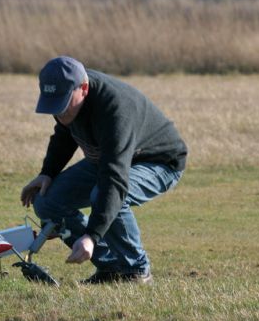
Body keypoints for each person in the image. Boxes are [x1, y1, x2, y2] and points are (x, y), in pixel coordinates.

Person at [20, 56, 187, 284]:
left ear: (84, 88)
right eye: (53, 105)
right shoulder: (68, 100)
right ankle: (111, 267)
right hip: (108, 159)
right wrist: (47, 173)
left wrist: (91, 236)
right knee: (47, 201)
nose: (59, 113)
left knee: (106, 195)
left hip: (157, 162)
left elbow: (114, 182)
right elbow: (65, 133)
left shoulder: (115, 110)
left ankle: (135, 270)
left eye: (63, 103)